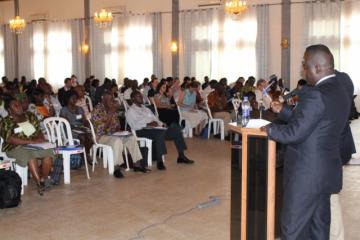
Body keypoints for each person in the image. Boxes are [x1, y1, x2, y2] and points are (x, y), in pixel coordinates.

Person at [264, 44, 351, 239]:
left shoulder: (316, 93)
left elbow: (295, 133)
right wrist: (284, 111)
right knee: (319, 230)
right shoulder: (340, 89)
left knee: (292, 230)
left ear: (318, 68)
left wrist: (269, 129)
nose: (304, 69)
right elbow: (313, 122)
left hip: (306, 176)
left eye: (305, 64)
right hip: (325, 174)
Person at [126, 90, 194, 170]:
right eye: (138, 96)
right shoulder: (130, 111)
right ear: (133, 99)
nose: (141, 97)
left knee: (176, 128)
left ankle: (181, 156)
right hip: (142, 131)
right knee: (160, 133)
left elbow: (155, 118)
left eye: (141, 96)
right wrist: (147, 124)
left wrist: (161, 124)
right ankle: (160, 161)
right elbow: (134, 126)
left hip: (156, 129)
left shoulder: (146, 109)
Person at [0, 97, 54, 195]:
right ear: (9, 110)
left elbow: (38, 131)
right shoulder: (5, 121)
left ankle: (43, 179)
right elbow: (10, 139)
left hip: (34, 145)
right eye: (15, 106)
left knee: (49, 152)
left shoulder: (30, 116)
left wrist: (41, 139)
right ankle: (39, 184)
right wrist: (31, 141)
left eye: (19, 104)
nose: (19, 107)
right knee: (30, 155)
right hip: (14, 147)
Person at [91, 92, 149, 176]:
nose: (113, 101)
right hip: (100, 137)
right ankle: (116, 168)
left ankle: (137, 165)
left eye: (113, 99)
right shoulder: (97, 110)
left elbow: (117, 125)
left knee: (131, 137)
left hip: (113, 135)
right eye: (110, 100)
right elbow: (101, 130)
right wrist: (110, 113)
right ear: (103, 100)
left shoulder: (112, 109)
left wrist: (120, 131)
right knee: (117, 141)